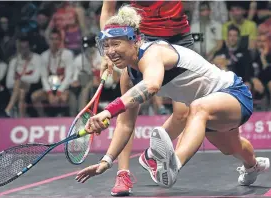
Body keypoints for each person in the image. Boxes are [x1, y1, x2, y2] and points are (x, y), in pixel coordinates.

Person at [75, 5, 270, 190]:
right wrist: (106, 162)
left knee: (197, 108)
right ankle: (253, 166)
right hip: (207, 114)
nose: (110, 51)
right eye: (106, 46)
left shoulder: (154, 52)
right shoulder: (129, 75)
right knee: (233, 147)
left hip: (233, 94)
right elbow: (125, 125)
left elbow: (151, 85)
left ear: (135, 40)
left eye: (116, 44)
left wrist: (108, 110)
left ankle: (173, 165)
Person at [99, 1, 193, 195]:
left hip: (179, 37)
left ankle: (151, 154)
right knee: (128, 106)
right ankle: (122, 173)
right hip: (142, 37)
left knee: (183, 114)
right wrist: (107, 53)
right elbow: (108, 10)